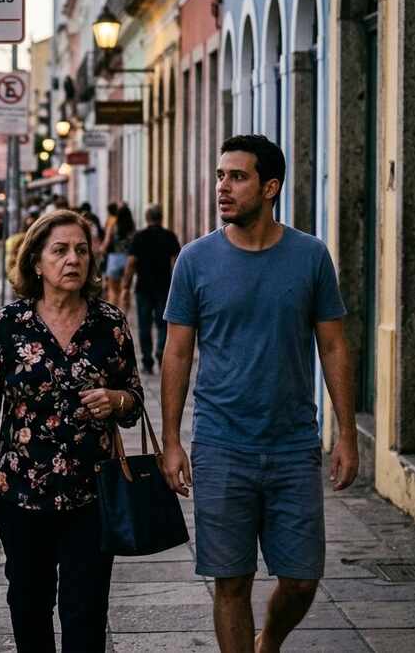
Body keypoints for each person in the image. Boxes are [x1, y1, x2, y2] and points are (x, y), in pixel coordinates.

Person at [160, 135, 356, 653]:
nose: (223, 187)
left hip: (293, 444)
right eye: (221, 175)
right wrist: (172, 440)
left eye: (237, 177)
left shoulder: (310, 256)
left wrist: (348, 435)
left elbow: (333, 346)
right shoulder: (194, 260)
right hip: (222, 444)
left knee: (301, 578)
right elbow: (177, 353)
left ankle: (268, 639)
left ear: (270, 188)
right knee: (231, 580)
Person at [0, 210, 143, 652]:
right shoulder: (7, 325)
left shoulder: (109, 324)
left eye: (81, 250)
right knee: (28, 603)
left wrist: (116, 401)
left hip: (92, 493)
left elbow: (133, 400)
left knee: (86, 610)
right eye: (60, 250)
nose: (73, 259)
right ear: (36, 262)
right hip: (20, 492)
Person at [122, 204, 181, 373]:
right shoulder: (169, 236)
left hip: (143, 288)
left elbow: (131, 263)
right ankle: (161, 351)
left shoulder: (139, 237)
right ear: (161, 218)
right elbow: (176, 262)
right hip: (164, 287)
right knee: (163, 324)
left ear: (147, 218)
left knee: (144, 324)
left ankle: (147, 360)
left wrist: (126, 286)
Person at [99, 204, 136, 311]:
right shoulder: (132, 228)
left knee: (113, 291)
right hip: (128, 261)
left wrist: (100, 251)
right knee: (125, 290)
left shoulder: (113, 226)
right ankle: (124, 314)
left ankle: (113, 314)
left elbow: (106, 243)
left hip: (114, 259)